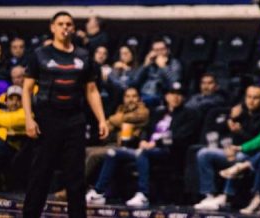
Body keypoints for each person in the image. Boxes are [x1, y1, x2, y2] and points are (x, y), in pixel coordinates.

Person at [21, 12, 109, 218]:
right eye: (60, 24)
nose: (65, 27)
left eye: (69, 24)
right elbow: (26, 89)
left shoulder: (83, 56)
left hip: (75, 121)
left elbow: (92, 90)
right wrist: (28, 118)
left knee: (76, 179)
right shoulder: (39, 55)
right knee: (40, 175)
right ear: (52, 27)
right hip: (47, 119)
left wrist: (102, 119)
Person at [87, 81, 201, 207]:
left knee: (143, 153)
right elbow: (147, 130)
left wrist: (156, 143)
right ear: (167, 96)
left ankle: (143, 194)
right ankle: (99, 192)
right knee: (113, 152)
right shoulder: (159, 112)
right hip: (147, 148)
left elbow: (181, 137)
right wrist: (143, 140)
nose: (175, 97)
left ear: (184, 97)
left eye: (179, 94)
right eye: (172, 94)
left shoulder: (189, 114)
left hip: (168, 150)